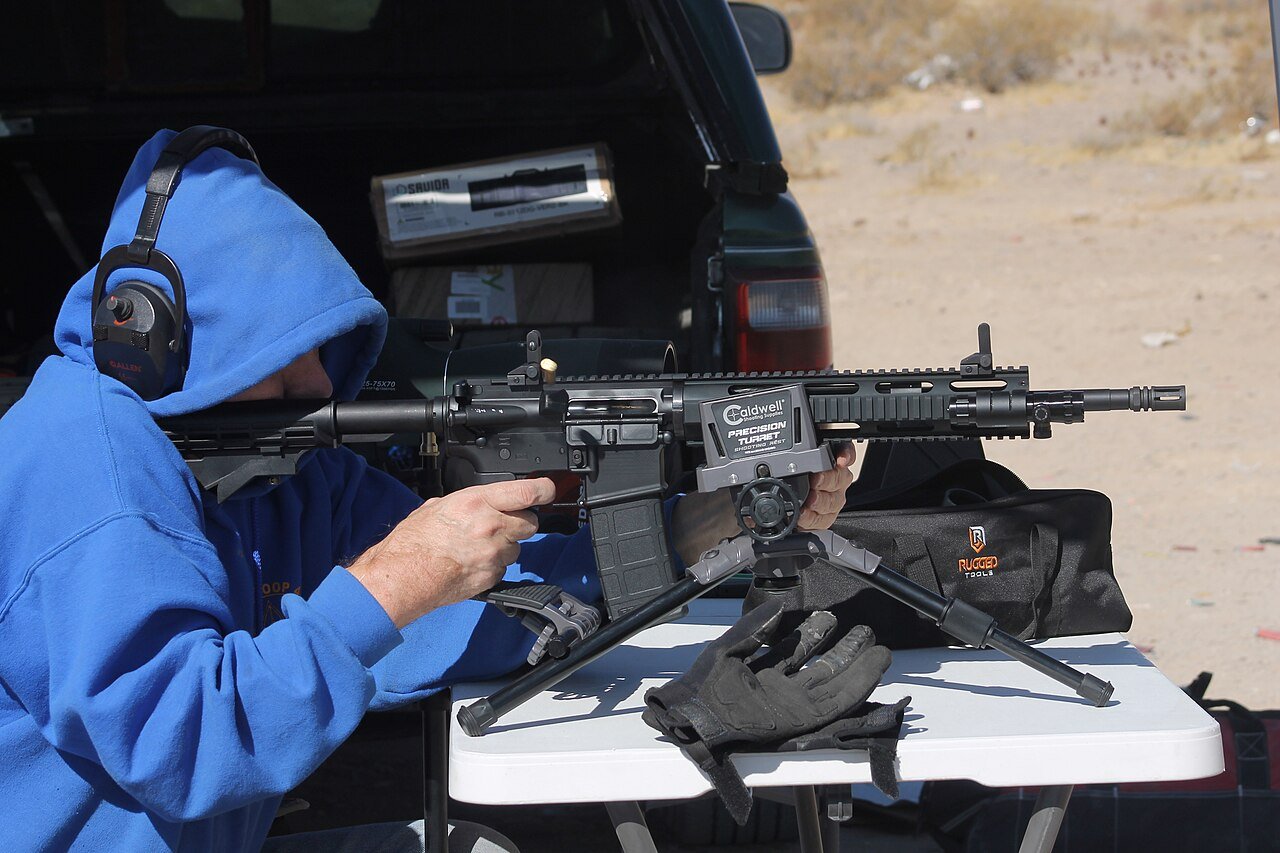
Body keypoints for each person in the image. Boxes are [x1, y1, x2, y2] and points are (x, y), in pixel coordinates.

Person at [0, 130, 856, 852]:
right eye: (282, 348)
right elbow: (186, 746)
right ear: (158, 341)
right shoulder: (85, 464)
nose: (317, 379)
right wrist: (392, 582)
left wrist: (703, 527)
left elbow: (492, 605)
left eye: (323, 343)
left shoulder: (282, 470)